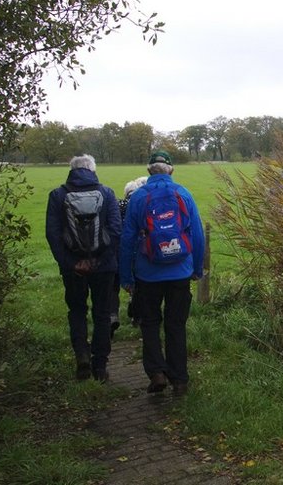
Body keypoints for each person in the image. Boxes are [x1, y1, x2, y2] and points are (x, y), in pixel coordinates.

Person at [120, 151, 205, 396]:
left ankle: (157, 372)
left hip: (148, 274)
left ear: (148, 172)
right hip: (180, 271)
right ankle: (179, 380)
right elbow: (197, 235)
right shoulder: (183, 194)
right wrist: (196, 269)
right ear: (171, 171)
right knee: (176, 325)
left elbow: (127, 240)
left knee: (150, 323)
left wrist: (126, 277)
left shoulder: (139, 197)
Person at [45, 154, 121, 382]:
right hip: (104, 266)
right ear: (92, 169)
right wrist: (99, 261)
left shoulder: (58, 195)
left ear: (72, 170)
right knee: (102, 314)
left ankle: (82, 357)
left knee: (77, 311)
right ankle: (100, 366)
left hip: (73, 268)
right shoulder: (107, 194)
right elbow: (116, 231)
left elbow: (53, 235)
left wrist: (71, 263)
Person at [112, 176, 148, 329]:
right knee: (140, 281)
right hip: (142, 250)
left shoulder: (119, 204)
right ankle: (138, 315)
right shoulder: (144, 204)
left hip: (121, 249)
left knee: (116, 283)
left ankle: (112, 314)